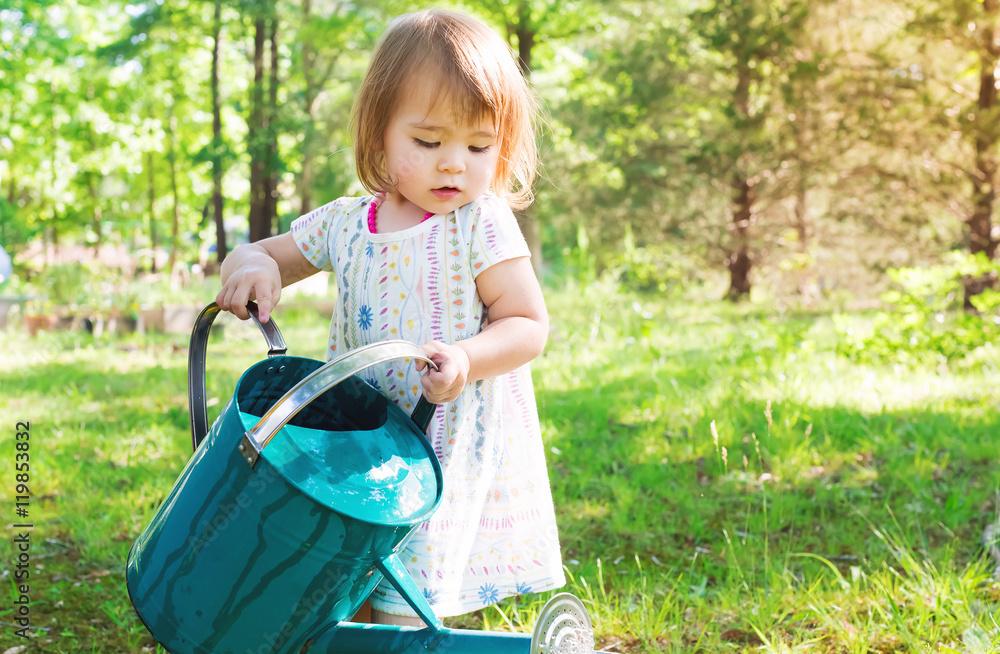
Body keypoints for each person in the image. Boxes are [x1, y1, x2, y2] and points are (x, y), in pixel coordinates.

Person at [216, 8, 564, 627]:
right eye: (428, 142)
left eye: (479, 145)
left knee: (405, 603)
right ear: (381, 135)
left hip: (439, 450)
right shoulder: (347, 223)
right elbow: (264, 253)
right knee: (338, 586)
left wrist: (466, 358)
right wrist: (254, 266)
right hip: (356, 442)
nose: (454, 163)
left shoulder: (477, 225)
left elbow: (527, 323)